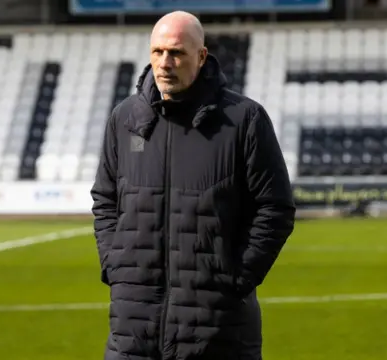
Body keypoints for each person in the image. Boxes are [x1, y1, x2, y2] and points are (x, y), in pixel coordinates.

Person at [90, 10, 296, 360]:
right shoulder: (125, 119)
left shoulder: (244, 120)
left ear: (201, 56)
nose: (165, 62)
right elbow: (105, 200)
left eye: (176, 52)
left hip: (218, 331)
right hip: (133, 330)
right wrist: (116, 264)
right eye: (157, 52)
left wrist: (237, 278)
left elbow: (275, 208)